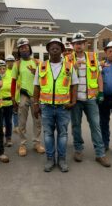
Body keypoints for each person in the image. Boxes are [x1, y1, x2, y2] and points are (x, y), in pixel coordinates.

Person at [34, 38, 78, 172]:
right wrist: (36, 103)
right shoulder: (41, 66)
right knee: (48, 134)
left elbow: (74, 84)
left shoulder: (69, 67)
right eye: (51, 47)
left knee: (63, 134)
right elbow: (36, 86)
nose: (54, 49)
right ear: (48, 50)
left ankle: (62, 160)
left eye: (57, 47)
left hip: (63, 107)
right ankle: (50, 159)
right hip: (46, 107)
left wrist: (74, 101)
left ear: (62, 51)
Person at [70, 32, 111, 167]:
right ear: (73, 45)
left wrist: (100, 92)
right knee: (76, 125)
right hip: (75, 99)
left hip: (91, 99)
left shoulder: (93, 57)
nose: (79, 46)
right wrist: (72, 68)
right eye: (76, 43)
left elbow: (99, 76)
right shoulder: (68, 59)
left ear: (85, 44)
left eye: (81, 43)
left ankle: (100, 154)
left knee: (95, 125)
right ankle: (78, 150)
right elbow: (64, 79)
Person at [11, 38, 45, 156]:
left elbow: (44, 79)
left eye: (25, 47)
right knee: (22, 122)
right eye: (21, 48)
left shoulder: (38, 62)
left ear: (29, 48)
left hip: (36, 96)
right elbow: (13, 82)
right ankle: (22, 144)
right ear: (19, 51)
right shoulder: (17, 64)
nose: (24, 49)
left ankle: (37, 143)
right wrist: (13, 98)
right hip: (23, 96)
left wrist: (36, 72)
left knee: (37, 120)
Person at [0, 59, 13, 147]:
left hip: (9, 104)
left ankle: (8, 138)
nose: (2, 70)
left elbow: (13, 89)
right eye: (0, 69)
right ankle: (0, 138)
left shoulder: (10, 77)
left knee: (8, 122)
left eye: (3, 68)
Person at [5, 55, 19, 133]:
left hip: (15, 94)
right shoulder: (4, 70)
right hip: (6, 95)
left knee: (15, 111)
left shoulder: (16, 70)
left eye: (11, 61)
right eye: (8, 61)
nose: (10, 63)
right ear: (6, 62)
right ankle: (4, 126)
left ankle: (16, 126)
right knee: (5, 113)